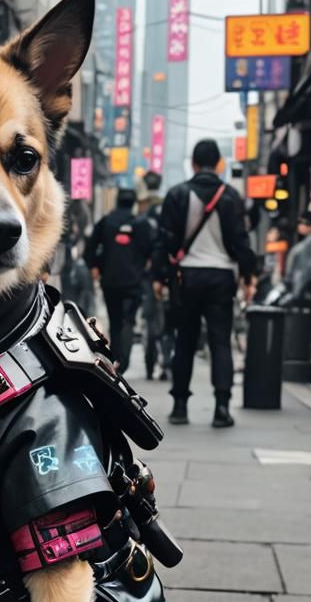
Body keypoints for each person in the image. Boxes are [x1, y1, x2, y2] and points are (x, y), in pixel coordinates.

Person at [154, 139, 258, 428]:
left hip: (187, 276)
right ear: (219, 164)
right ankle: (222, 407)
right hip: (222, 276)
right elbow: (241, 243)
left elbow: (164, 242)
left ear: (194, 164)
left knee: (184, 340)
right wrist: (249, 276)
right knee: (220, 341)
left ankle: (179, 406)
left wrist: (160, 278)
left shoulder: (177, 194)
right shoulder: (231, 197)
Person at [85, 187, 154, 371]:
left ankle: (117, 358)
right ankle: (124, 358)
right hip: (134, 281)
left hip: (111, 281)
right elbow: (153, 250)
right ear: (133, 204)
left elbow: (89, 249)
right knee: (129, 319)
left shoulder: (106, 222)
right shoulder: (141, 224)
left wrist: (95, 267)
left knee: (115, 320)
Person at [138, 176, 174, 380]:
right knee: (169, 323)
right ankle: (167, 361)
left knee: (151, 321)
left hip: (149, 278)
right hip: (168, 275)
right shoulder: (168, 211)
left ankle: (152, 363)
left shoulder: (143, 218)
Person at [284, 211, 311, 310]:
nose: (301, 226)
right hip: (305, 292)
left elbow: (307, 271)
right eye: (300, 223)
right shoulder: (310, 242)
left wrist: (297, 291)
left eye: (305, 223)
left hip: (306, 292)